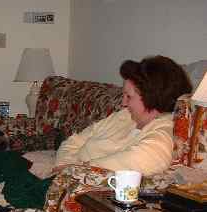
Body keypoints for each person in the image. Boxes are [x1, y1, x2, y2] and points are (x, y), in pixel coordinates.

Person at [54, 55, 192, 176]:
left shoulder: (163, 135)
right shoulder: (124, 116)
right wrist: (62, 168)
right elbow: (73, 142)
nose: (123, 102)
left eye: (128, 96)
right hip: (62, 178)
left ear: (151, 97)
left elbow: (140, 160)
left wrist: (71, 171)